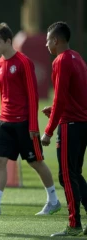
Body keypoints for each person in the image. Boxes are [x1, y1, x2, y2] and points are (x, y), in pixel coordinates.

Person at [0, 23, 61, 215]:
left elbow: (32, 95)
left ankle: (53, 200)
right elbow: (3, 94)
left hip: (23, 123)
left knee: (36, 162)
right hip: (4, 122)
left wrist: (33, 126)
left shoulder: (23, 62)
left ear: (8, 41)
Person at [40, 22, 87, 237]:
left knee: (66, 176)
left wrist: (49, 131)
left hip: (71, 125)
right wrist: (57, 108)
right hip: (82, 123)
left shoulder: (61, 60)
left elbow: (60, 98)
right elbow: (75, 93)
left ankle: (74, 224)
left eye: (48, 39)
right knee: (75, 174)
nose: (46, 43)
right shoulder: (77, 57)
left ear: (56, 40)